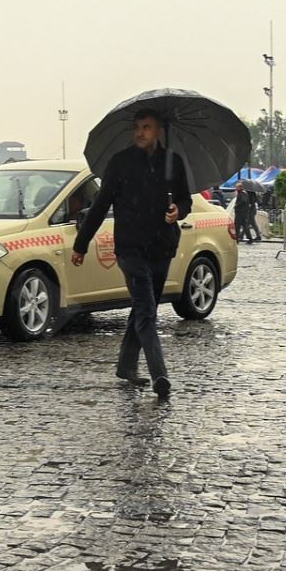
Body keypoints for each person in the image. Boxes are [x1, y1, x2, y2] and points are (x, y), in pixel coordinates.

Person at [71, 108, 192, 399]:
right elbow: (100, 205)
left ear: (158, 130)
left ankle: (126, 366)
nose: (140, 132)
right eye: (137, 127)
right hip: (130, 248)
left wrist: (178, 210)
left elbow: (185, 199)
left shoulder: (172, 162)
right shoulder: (120, 163)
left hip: (162, 247)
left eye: (147, 127)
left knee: (142, 308)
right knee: (147, 311)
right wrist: (81, 243)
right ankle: (159, 374)